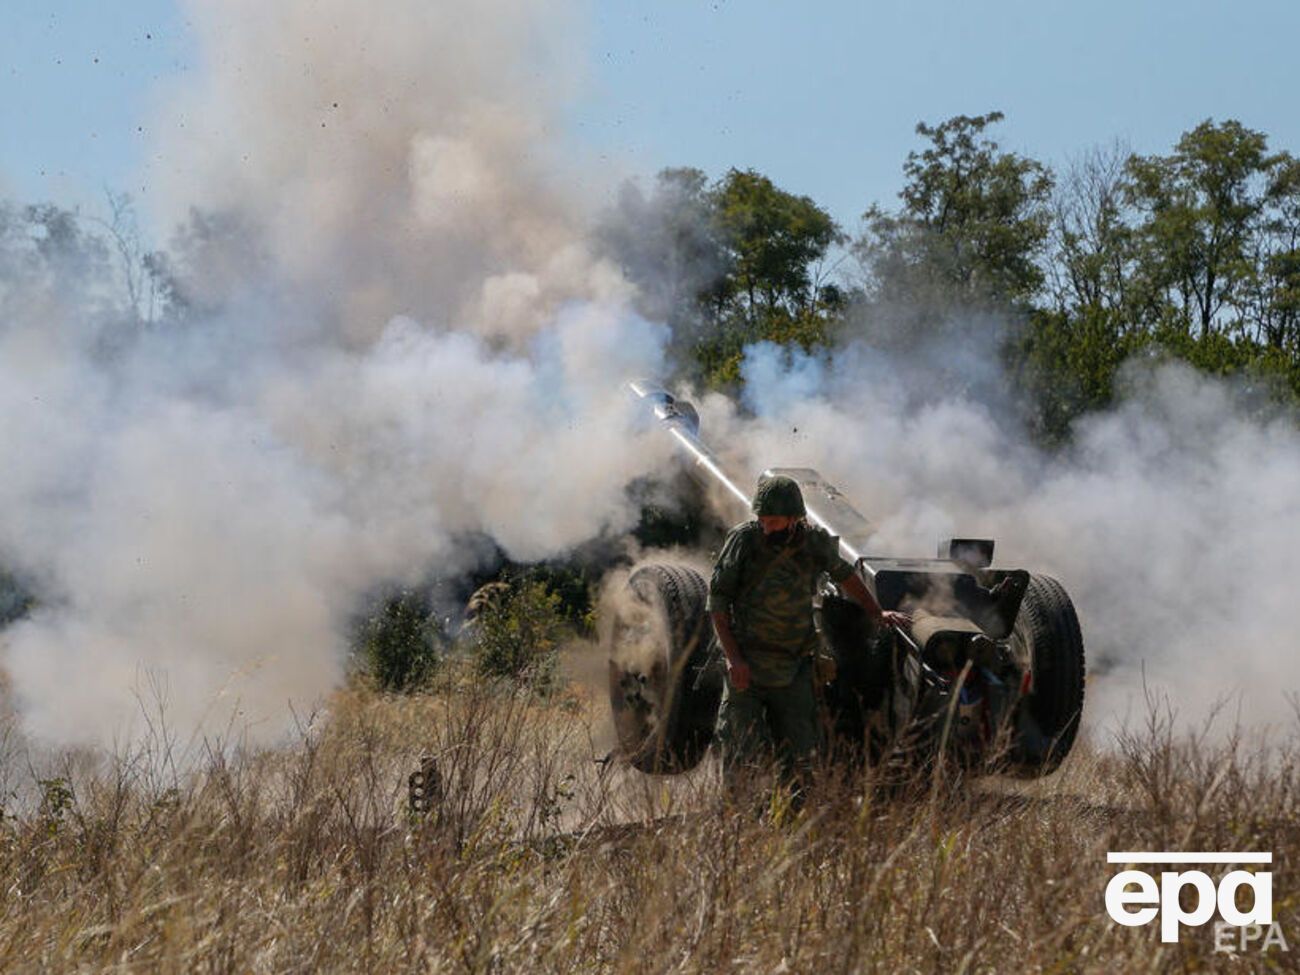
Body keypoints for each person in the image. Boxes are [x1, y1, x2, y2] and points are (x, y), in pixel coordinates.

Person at [707, 475, 910, 801]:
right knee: (738, 752)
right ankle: (738, 823)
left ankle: (791, 822)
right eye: (761, 519)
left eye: (773, 521)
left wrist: (877, 613)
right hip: (748, 667)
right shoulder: (743, 541)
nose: (765, 527)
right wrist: (733, 659)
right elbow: (717, 602)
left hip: (793, 667)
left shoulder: (814, 542)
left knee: (802, 757)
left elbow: (846, 576)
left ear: (794, 519)